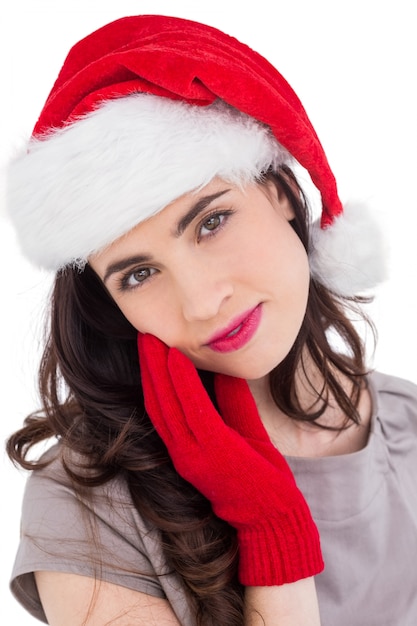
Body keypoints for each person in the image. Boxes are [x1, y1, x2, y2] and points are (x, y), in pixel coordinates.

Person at [5, 13, 417, 626]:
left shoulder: (407, 423)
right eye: (138, 274)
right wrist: (274, 534)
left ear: (279, 190)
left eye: (211, 222)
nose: (200, 303)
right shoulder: (87, 506)